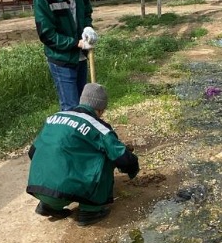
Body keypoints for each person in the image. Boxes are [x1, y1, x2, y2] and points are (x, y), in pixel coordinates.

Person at [26, 83, 140, 227]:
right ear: (100, 109)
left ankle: (49, 205)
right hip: (66, 188)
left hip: (38, 187)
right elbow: (122, 158)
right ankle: (90, 211)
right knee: (105, 157)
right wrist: (133, 168)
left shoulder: (54, 118)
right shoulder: (99, 127)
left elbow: (33, 152)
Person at [33, 0, 97, 110]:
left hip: (81, 57)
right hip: (61, 59)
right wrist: (76, 43)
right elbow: (47, 35)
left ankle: (82, 134)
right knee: (71, 107)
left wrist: (88, 28)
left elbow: (86, 13)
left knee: (84, 104)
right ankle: (70, 134)